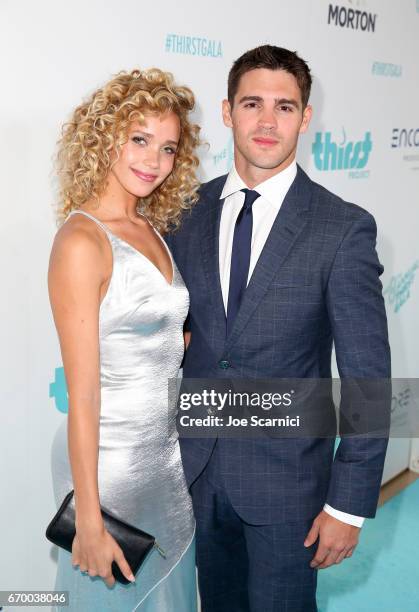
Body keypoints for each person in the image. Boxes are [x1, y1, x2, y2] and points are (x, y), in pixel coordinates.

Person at [166, 45, 391, 611]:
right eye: (252, 103)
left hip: (289, 487)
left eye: (285, 107)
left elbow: (367, 377)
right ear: (226, 111)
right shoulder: (184, 214)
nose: (267, 122)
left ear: (306, 118)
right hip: (196, 476)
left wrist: (347, 505)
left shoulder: (342, 229)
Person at [48, 68, 200, 611]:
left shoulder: (150, 225)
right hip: (109, 468)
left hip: (165, 457)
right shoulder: (82, 240)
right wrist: (88, 516)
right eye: (139, 140)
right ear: (104, 136)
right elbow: (84, 395)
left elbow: (155, 335)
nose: (152, 161)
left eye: (167, 148)